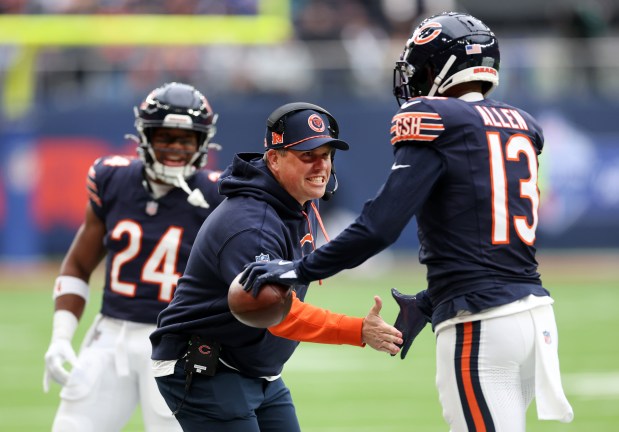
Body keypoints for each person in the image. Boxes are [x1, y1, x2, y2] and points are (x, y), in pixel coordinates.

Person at [240, 12, 574, 432]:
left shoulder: (438, 120)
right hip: (533, 316)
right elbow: (491, 237)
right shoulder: (520, 125)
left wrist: (298, 269)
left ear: (444, 67)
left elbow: (379, 225)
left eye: (422, 66)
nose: (414, 78)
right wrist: (433, 298)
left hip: (481, 321)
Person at [149, 102, 403, 431]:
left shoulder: (292, 202)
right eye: (307, 155)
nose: (321, 166)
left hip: (254, 364)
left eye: (326, 155)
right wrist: (358, 330)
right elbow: (275, 311)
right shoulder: (252, 224)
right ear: (274, 159)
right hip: (204, 364)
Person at [43, 82, 224, 432]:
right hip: (111, 335)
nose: (175, 148)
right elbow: (79, 264)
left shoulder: (218, 194)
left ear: (202, 142)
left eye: (185, 139)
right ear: (145, 136)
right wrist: (61, 335)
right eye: (165, 137)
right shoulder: (112, 179)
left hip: (181, 342)